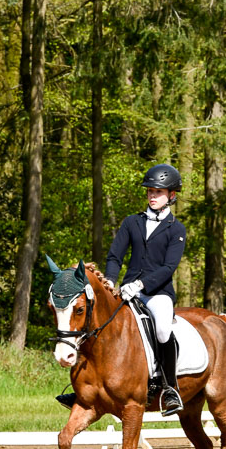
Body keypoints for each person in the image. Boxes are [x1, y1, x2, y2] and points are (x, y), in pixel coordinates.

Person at [56, 163, 186, 416]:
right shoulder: (131, 222)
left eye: (158, 192)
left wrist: (141, 284)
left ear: (171, 195)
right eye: (149, 191)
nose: (152, 196)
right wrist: (111, 282)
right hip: (127, 289)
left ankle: (170, 388)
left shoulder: (176, 229)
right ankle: (84, 386)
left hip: (158, 292)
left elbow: (169, 266)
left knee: (161, 328)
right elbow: (115, 256)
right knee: (97, 324)